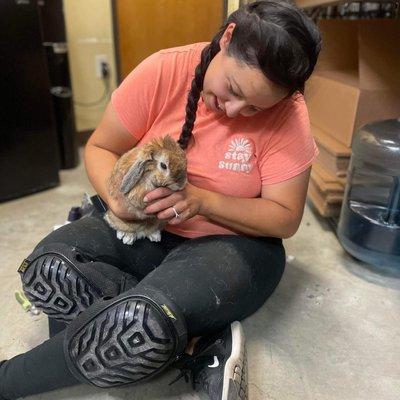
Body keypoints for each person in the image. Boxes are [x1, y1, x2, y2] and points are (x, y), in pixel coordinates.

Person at [0, 1, 321, 399]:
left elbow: (285, 218)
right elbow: (101, 147)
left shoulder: (291, 114)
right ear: (227, 38)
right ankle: (197, 343)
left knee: (142, 321)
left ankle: (9, 378)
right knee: (48, 267)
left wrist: (202, 201)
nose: (236, 111)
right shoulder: (165, 69)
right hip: (146, 230)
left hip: (230, 247)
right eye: (234, 91)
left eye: (255, 108)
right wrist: (117, 203)